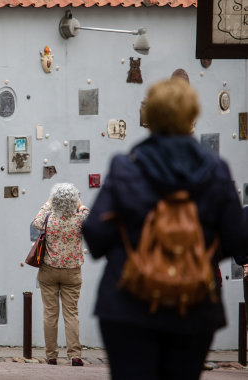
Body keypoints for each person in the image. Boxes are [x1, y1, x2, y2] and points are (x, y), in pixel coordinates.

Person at [82, 78, 248, 380]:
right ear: (192, 116)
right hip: (193, 307)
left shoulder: (126, 167)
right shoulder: (216, 171)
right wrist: (195, 252)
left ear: (151, 116)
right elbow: (237, 239)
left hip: (128, 306)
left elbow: (95, 237)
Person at [33, 183, 89, 367]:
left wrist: (48, 203)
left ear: (54, 200)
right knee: (71, 314)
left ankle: (51, 356)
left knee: (50, 314)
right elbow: (91, 219)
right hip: (72, 272)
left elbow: (36, 222)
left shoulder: (49, 218)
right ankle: (75, 355)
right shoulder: (80, 219)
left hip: (49, 270)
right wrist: (80, 205)